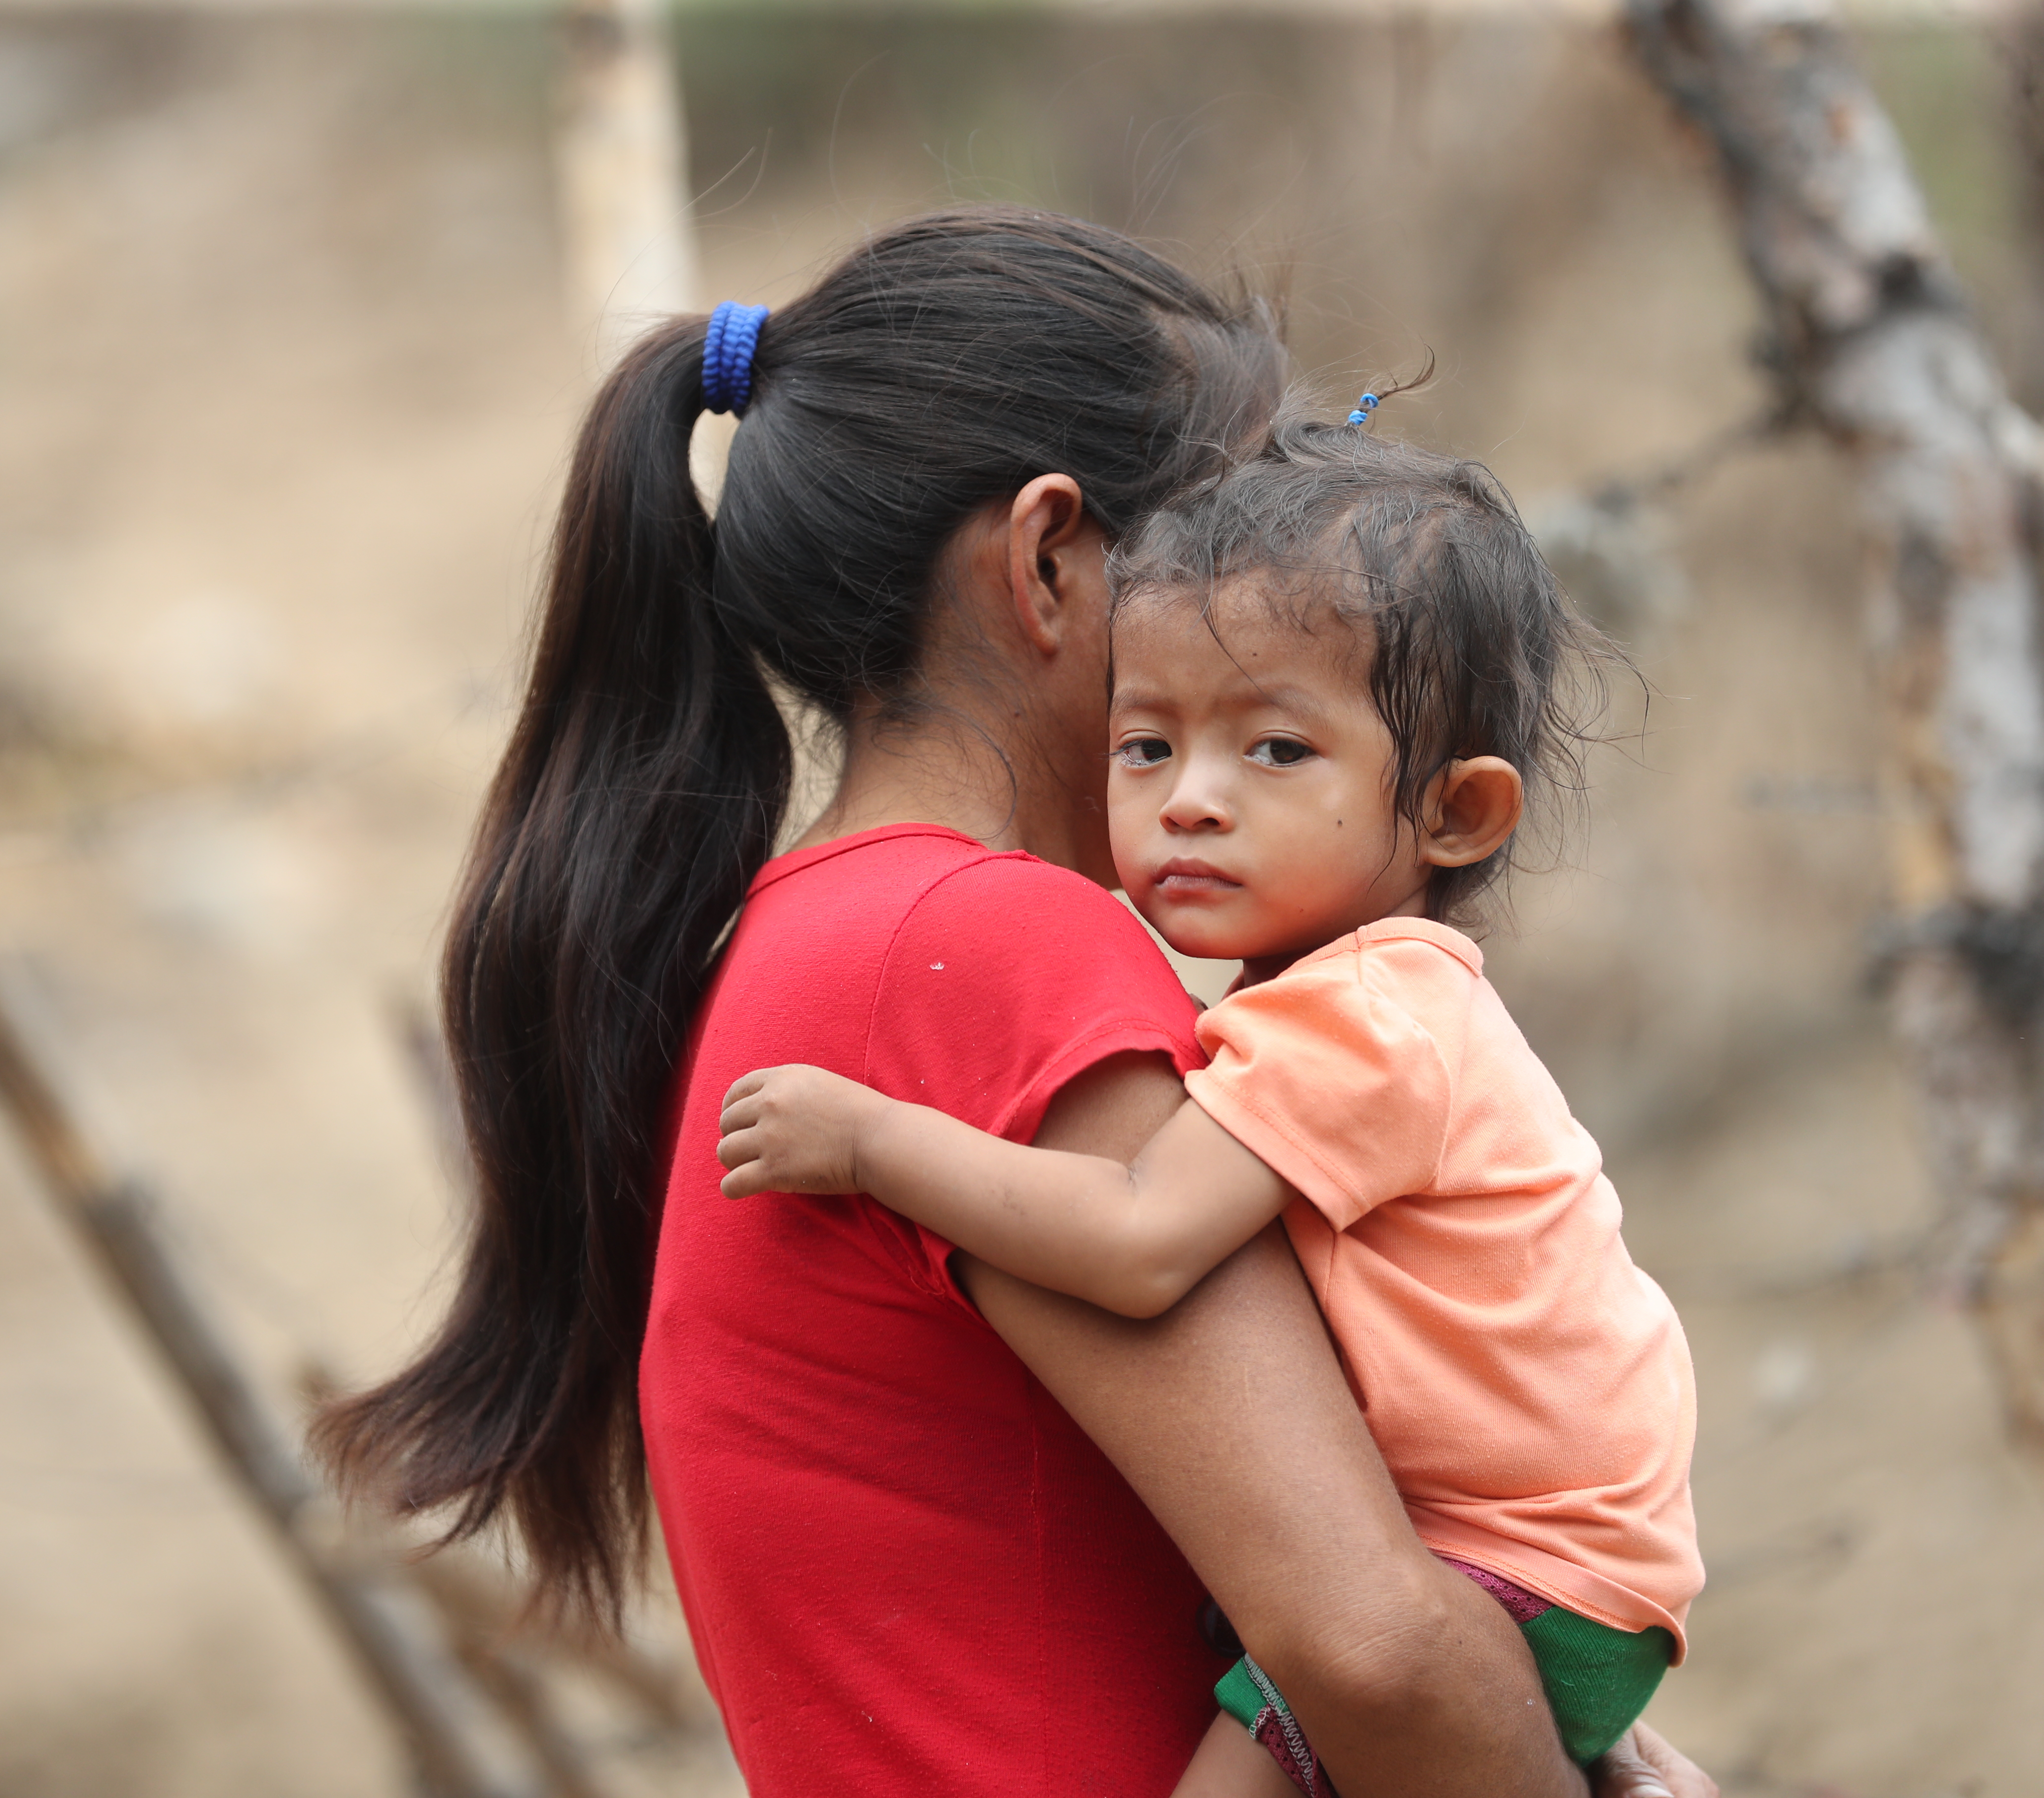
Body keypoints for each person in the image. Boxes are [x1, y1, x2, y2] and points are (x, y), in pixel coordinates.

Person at [317, 204, 1712, 1798]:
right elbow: (1369, 1646)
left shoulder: (799, 946)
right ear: (1051, 559)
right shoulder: (977, 950)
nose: (1283, 573)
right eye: (1224, 530)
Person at [716, 413, 1699, 1796]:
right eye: (1148, 746)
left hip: (1519, 1569)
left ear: (1459, 816)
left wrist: (875, 1140)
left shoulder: (1365, 1014)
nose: (1192, 802)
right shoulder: (1334, 1003)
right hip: (1545, 1568)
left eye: (1277, 753)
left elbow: (1134, 1237)